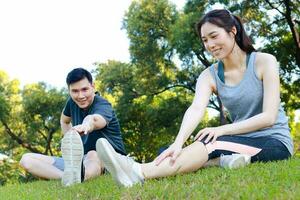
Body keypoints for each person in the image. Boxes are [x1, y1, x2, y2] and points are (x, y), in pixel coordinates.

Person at [94, 9, 294, 187]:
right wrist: (178, 142)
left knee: (212, 142)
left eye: (214, 36)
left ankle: (138, 171)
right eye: (205, 40)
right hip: (240, 140)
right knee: (172, 150)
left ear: (232, 31)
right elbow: (197, 108)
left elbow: (268, 117)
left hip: (275, 143)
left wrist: (219, 130)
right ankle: (222, 160)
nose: (210, 45)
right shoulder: (209, 75)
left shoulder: (264, 62)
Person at [20, 68, 126, 186]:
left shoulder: (102, 104)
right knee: (26, 160)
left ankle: (80, 177)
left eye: (84, 89)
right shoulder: (71, 103)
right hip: (79, 162)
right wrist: (69, 138)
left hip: (110, 160)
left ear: (93, 86)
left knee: (92, 153)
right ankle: (68, 178)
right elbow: (64, 120)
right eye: (75, 91)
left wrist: (87, 125)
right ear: (69, 91)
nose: (80, 96)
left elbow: (96, 119)